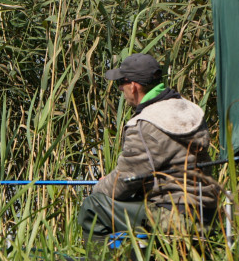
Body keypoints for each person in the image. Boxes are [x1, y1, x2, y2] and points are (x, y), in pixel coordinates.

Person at [78, 53, 220, 242]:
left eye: (122, 82)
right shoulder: (188, 111)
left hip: (174, 218)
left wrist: (100, 185)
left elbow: (123, 183)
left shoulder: (146, 124)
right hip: (208, 214)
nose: (120, 87)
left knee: (93, 205)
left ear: (134, 86)